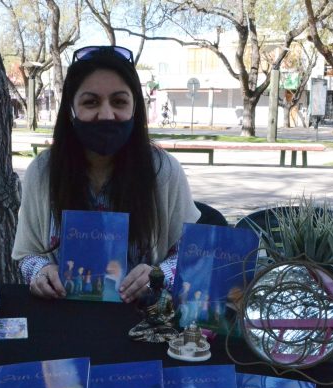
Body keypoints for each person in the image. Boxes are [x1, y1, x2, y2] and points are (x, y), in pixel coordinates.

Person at [12, 45, 200, 303]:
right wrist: (41, 271)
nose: (107, 115)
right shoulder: (42, 172)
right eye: (91, 102)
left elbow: (191, 255)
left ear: (135, 107)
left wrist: (159, 274)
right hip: (63, 319)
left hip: (143, 321)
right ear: (71, 108)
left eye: (119, 101)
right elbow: (26, 255)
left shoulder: (164, 171)